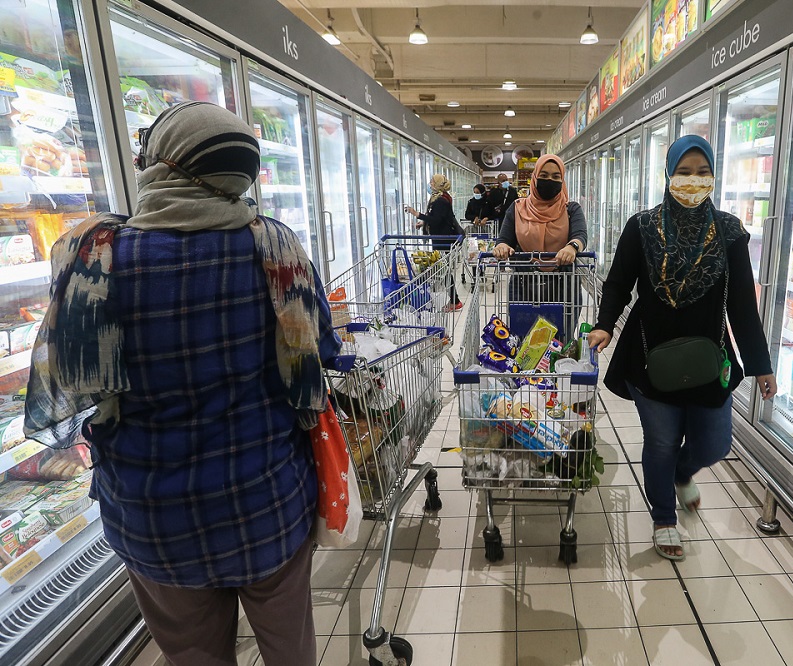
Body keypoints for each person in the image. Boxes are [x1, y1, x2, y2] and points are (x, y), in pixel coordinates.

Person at [24, 102, 341, 666]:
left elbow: (72, 384)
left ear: (164, 164)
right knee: (292, 651)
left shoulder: (92, 252)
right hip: (266, 502)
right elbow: (320, 357)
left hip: (154, 518)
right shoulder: (275, 247)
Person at [587, 136, 777, 562]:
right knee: (660, 440)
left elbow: (743, 305)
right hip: (648, 352)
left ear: (714, 176)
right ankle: (663, 518)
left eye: (703, 172)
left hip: (710, 358)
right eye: (684, 172)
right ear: (668, 176)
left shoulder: (729, 232)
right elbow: (619, 281)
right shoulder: (642, 227)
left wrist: (761, 364)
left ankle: (682, 471)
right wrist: (603, 325)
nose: (694, 180)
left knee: (714, 443)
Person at [492, 155, 587, 265]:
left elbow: (580, 236)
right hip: (524, 277)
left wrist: (572, 247)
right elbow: (504, 239)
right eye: (543, 175)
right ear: (535, 178)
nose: (549, 180)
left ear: (562, 180)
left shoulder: (571, 209)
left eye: (556, 177)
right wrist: (502, 246)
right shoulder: (517, 207)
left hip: (564, 278)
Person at [405, 173, 464, 310]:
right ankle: (454, 300)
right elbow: (438, 217)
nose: (430, 184)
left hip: (443, 239)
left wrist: (417, 214)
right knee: (444, 270)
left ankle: (455, 301)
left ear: (437, 185)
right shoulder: (441, 198)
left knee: (444, 270)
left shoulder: (440, 201)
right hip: (441, 237)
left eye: (432, 182)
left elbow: (437, 220)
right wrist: (423, 222)